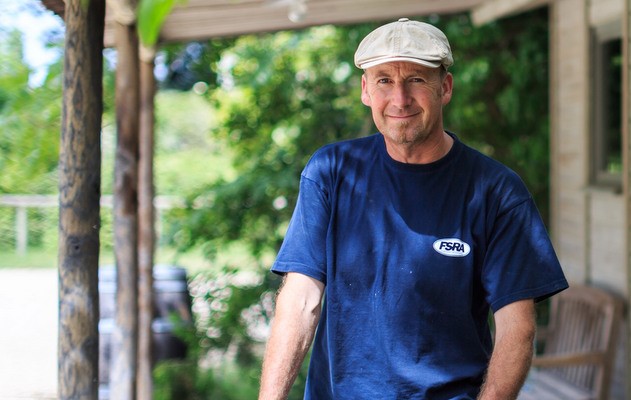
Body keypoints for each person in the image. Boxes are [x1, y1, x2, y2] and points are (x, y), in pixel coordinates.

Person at [258, 18, 568, 400]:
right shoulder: (331, 172)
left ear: (446, 87)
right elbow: (300, 298)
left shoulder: (496, 192)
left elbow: (516, 328)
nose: (400, 99)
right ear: (365, 90)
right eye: (384, 80)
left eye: (417, 80)